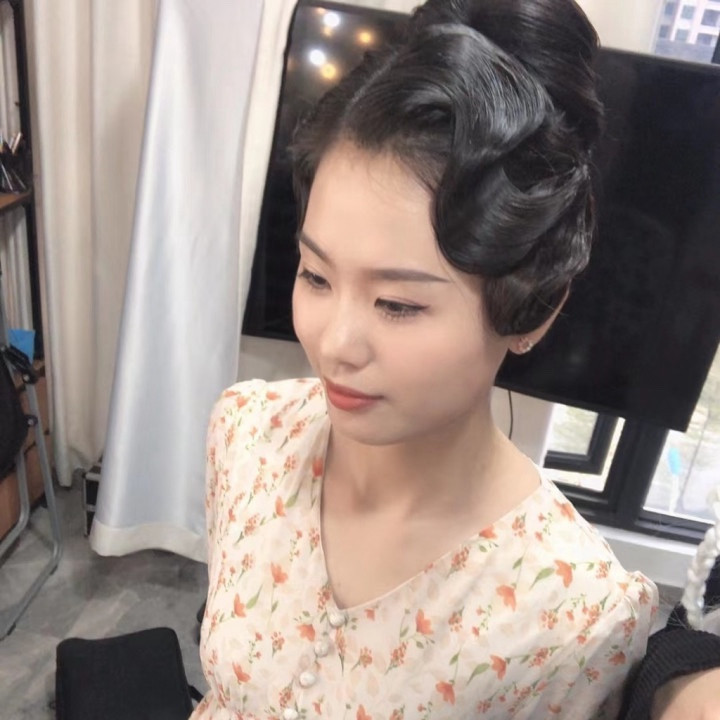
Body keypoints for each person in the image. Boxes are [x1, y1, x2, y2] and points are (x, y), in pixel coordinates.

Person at [192, 0, 657, 717]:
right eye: (316, 276)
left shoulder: (570, 615)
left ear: (532, 306)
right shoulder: (248, 434)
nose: (333, 344)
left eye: (398, 305)